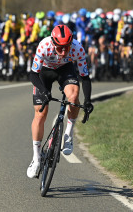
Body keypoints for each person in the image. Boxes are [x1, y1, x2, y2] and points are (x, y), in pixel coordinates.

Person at [27, 25, 93, 178]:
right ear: (53, 43)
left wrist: (88, 101)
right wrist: (44, 92)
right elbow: (33, 74)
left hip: (65, 70)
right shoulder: (44, 45)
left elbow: (85, 77)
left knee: (74, 97)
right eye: (60, 48)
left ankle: (68, 135)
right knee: (40, 112)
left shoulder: (77, 48)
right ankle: (36, 158)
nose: (64, 52)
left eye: (67, 48)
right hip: (44, 72)